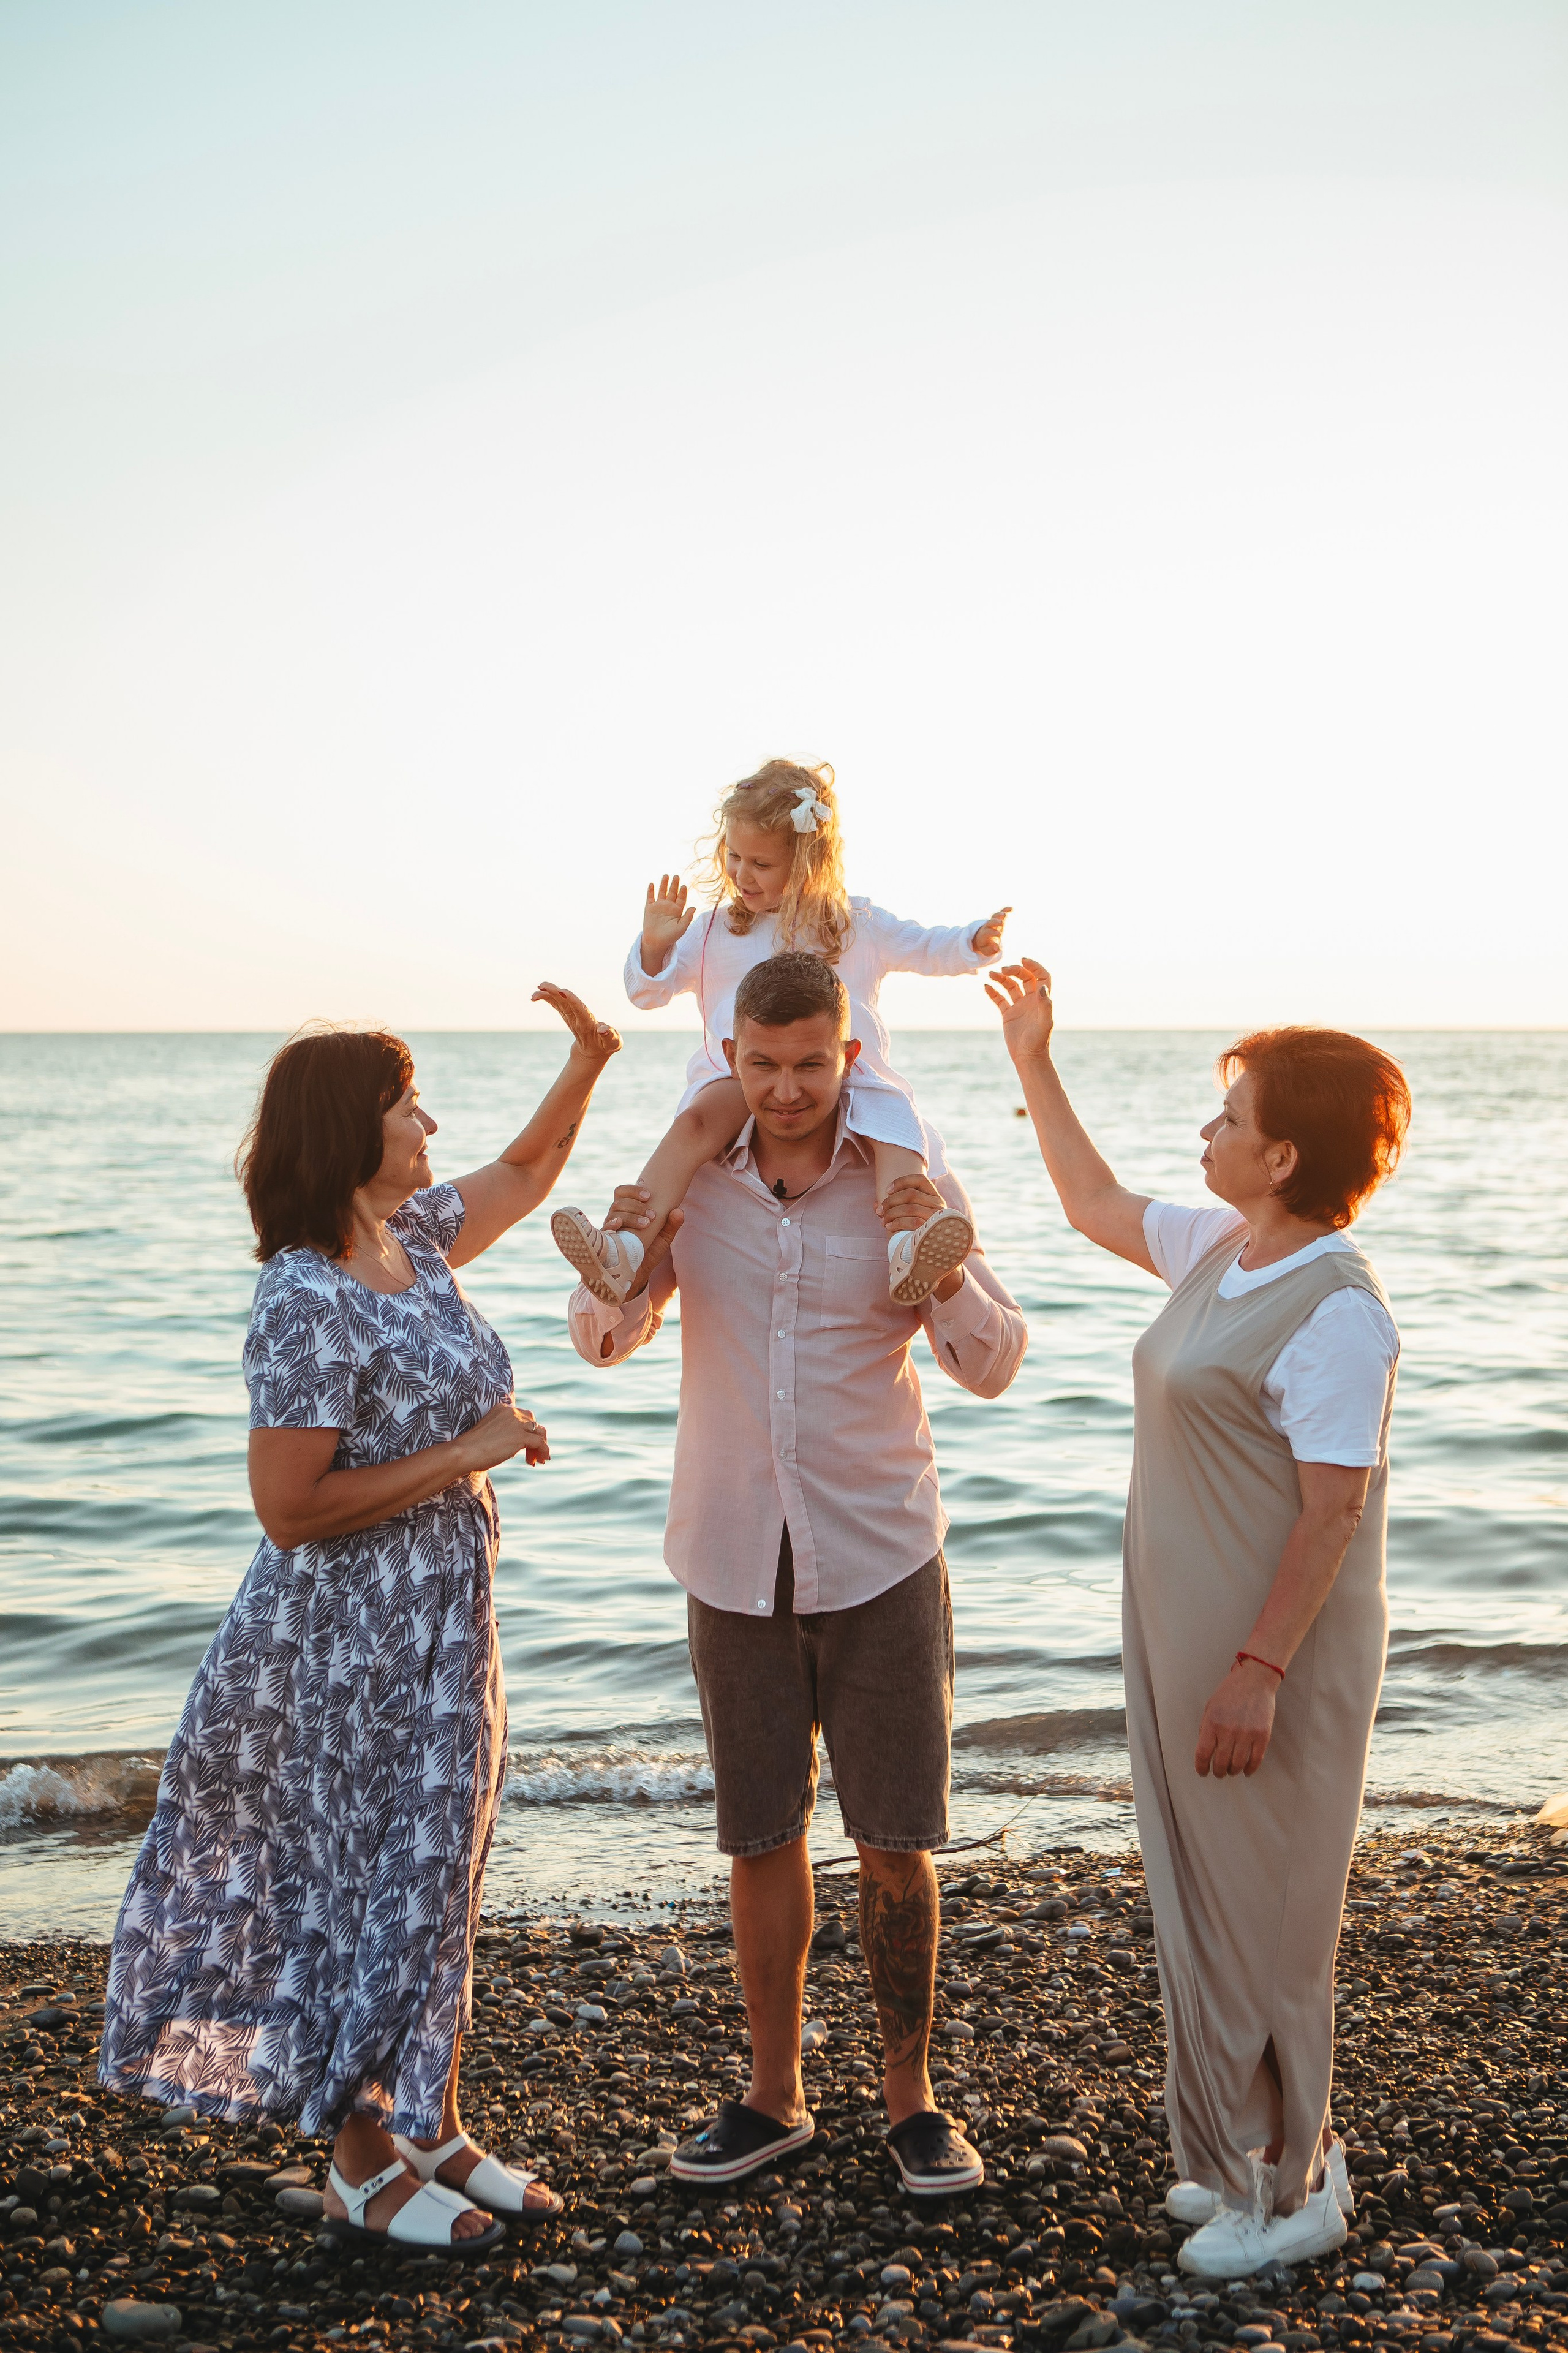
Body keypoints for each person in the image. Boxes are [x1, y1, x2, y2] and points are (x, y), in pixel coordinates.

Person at [99, 987, 621, 2255]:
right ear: (350, 1131)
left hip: (443, 1628)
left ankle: (423, 2117)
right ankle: (354, 2159)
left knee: (439, 1872)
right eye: (405, 1106)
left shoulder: (415, 1239)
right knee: (354, 1883)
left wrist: (589, 1060)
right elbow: (288, 1508)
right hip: (342, 1651)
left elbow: (526, 1168)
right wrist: (469, 1450)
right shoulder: (303, 1296)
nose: (428, 1122)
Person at [567, 950, 1028, 2194]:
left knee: (893, 1841)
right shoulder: (697, 1194)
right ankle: (772, 2098)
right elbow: (606, 1341)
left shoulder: (899, 1187)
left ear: (848, 1059)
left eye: (809, 1064)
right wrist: (612, 1274)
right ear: (729, 1059)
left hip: (878, 1552)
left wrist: (936, 1281)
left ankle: (911, 2103)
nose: (785, 1088)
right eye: (762, 1065)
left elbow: (994, 1364)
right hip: (730, 1556)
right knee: (759, 1836)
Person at [988, 957, 1411, 2279]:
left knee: (1265, 1916)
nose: (1206, 1132)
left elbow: (1332, 1515)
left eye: (1227, 1116)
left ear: (1282, 1154)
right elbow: (1093, 1203)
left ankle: (1288, 2189)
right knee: (1197, 1897)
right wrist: (1031, 1059)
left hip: (1262, 1658)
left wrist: (1254, 1667)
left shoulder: (1337, 1311)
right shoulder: (1225, 1248)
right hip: (1183, 1635)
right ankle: (1237, 2152)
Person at [551, 757, 1011, 1307]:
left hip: (849, 1073)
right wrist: (654, 946)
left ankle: (906, 1244)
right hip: (739, 1074)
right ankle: (627, 1246)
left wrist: (973, 943)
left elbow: (924, 946)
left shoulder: (853, 923)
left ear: (809, 862)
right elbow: (648, 992)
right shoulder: (714, 930)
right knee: (694, 1122)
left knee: (898, 1126)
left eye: (761, 864)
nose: (742, 876)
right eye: (735, 857)